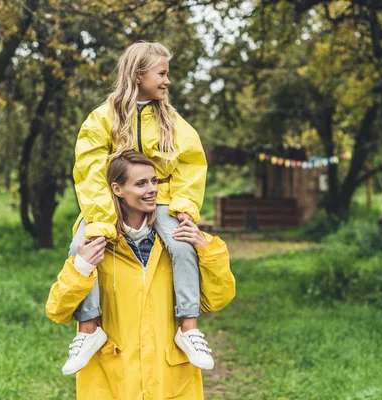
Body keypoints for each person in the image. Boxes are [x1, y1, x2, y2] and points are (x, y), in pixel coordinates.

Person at [62, 41, 210, 375]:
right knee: (80, 247)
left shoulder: (171, 119)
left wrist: (184, 207)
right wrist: (101, 220)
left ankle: (189, 327)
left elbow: (190, 163)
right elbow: (90, 171)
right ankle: (89, 328)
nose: (167, 81)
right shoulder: (103, 118)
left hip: (162, 199)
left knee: (182, 243)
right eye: (162, 73)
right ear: (139, 74)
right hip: (113, 202)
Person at [46, 151, 235, 399]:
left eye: (154, 181)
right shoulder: (94, 246)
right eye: (141, 183)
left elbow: (216, 300)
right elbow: (58, 310)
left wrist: (206, 251)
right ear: (117, 189)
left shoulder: (178, 244)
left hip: (170, 382)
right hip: (111, 383)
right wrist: (81, 267)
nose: (152, 190)